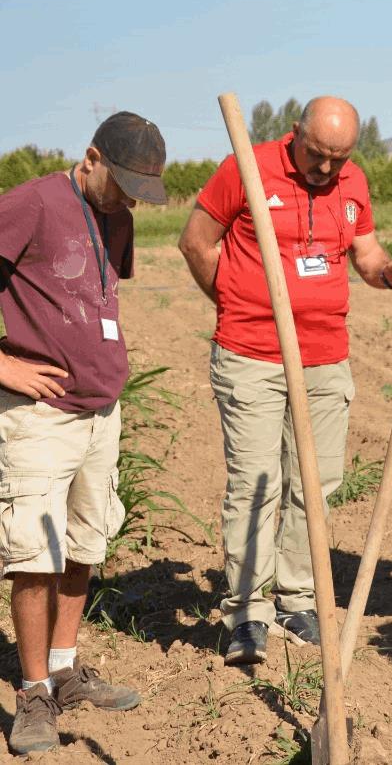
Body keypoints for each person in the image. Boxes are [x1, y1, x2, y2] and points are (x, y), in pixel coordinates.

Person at [179, 97, 392, 664]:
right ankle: (247, 611)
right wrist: (235, 301)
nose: (326, 168)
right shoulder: (246, 167)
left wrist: (387, 272)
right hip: (252, 356)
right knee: (255, 484)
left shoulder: (352, 181)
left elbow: (365, 252)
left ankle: (296, 599)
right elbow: (195, 241)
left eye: (339, 158)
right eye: (317, 154)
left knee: (315, 483)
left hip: (324, 357)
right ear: (295, 134)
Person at [0, 113, 166, 755]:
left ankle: (65, 668)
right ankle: (33, 692)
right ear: (91, 158)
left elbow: (92, 295)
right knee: (34, 556)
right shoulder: (33, 203)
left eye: (139, 192)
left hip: (101, 411)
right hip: (39, 415)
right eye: (122, 185)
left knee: (83, 542)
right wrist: (5, 365)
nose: (129, 202)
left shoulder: (117, 215)